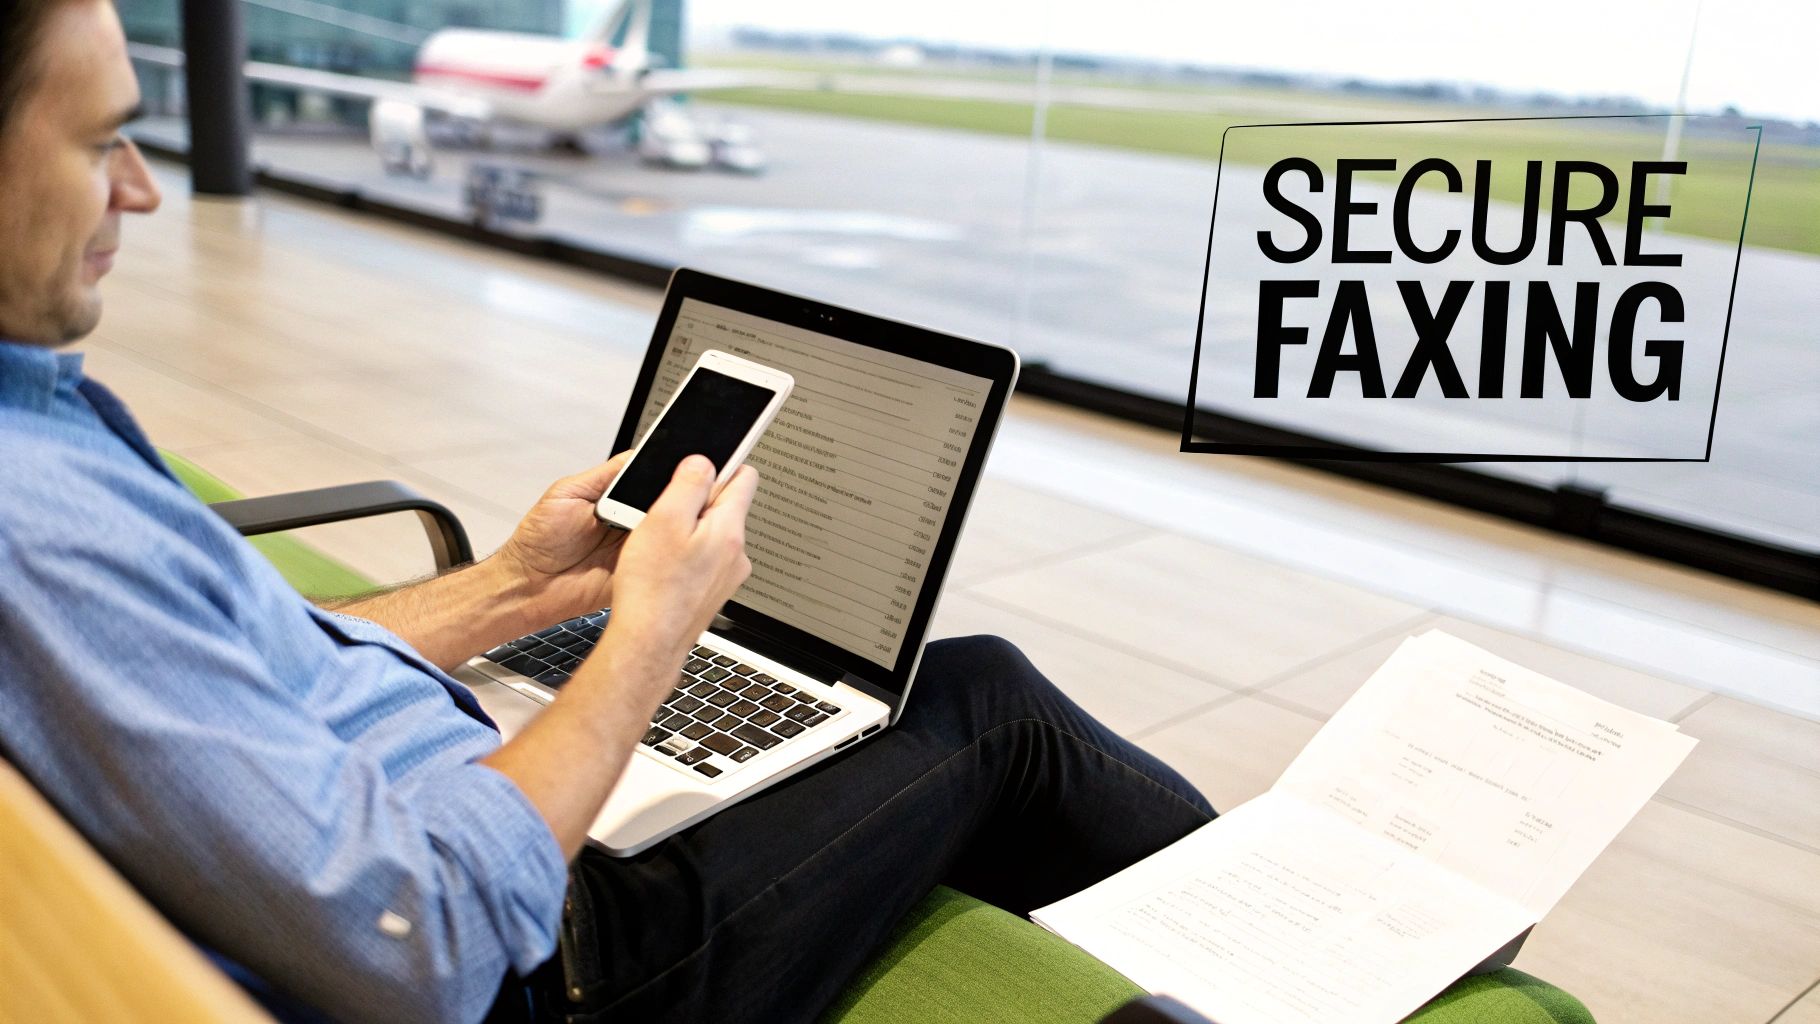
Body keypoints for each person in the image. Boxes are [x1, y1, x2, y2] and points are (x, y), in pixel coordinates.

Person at [0, 3, 1216, 1022]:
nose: (144, 191)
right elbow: (422, 936)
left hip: (433, 806)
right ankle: (1306, 938)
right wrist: (647, 640)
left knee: (892, 726)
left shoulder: (38, 425)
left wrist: (513, 590)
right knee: (986, 705)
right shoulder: (37, 520)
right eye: (102, 138)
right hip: (557, 957)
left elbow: (251, 670)